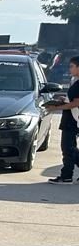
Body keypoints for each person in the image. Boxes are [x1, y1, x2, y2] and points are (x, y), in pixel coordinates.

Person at [46, 56, 79, 184]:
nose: (69, 69)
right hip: (70, 118)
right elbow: (71, 100)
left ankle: (66, 176)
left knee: (68, 148)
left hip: (73, 119)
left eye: (72, 66)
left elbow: (75, 103)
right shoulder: (74, 81)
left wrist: (57, 107)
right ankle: (66, 175)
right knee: (70, 148)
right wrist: (62, 100)